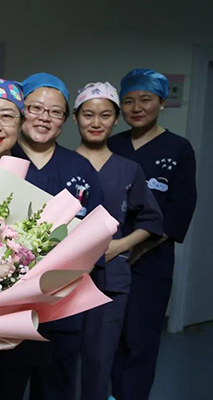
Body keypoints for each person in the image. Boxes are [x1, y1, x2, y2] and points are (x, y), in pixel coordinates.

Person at [0, 72, 104, 400]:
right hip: (5, 309)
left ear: (65, 120)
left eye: (55, 112)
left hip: (62, 308)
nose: (44, 118)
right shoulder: (0, 160)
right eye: (35, 108)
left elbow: (97, 235)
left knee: (57, 389)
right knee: (1, 389)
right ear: (21, 111)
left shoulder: (80, 168)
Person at [108, 68, 197, 400]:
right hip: (107, 258)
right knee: (108, 338)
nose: (137, 108)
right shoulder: (112, 144)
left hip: (152, 262)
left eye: (145, 99)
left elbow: (180, 209)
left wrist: (136, 250)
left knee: (140, 340)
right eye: (129, 101)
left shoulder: (179, 148)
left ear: (161, 102)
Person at [72, 82, 163, 400]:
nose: (96, 122)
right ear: (75, 118)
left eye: (105, 115)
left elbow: (152, 221)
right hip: (63, 279)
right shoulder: (64, 164)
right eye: (88, 115)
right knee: (59, 359)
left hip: (110, 280)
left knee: (99, 360)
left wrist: (119, 247)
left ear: (115, 120)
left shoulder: (128, 169)